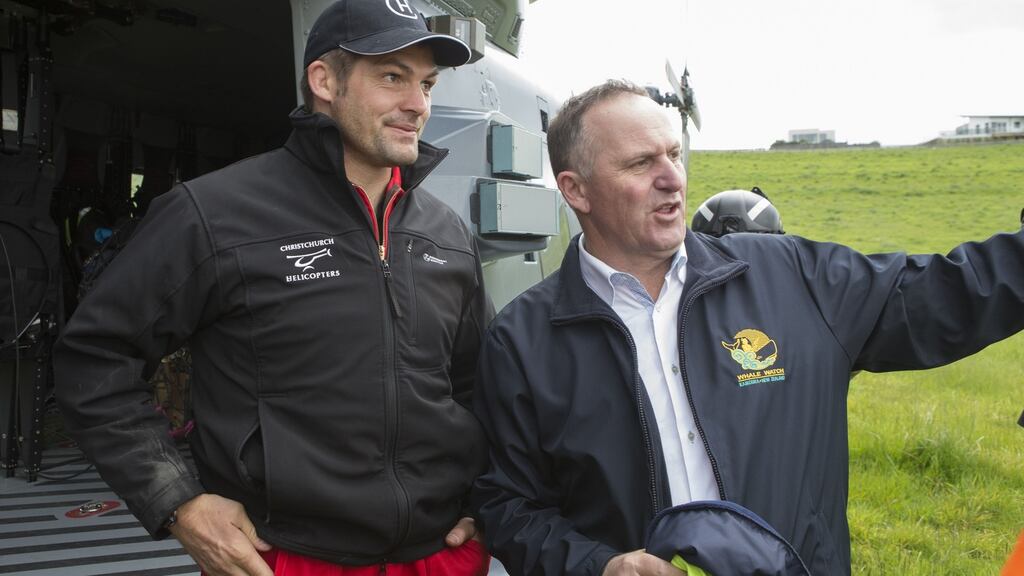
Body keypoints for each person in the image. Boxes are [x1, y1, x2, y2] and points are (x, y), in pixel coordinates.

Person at [469, 79, 1024, 576]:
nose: (672, 179)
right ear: (576, 190)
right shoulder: (523, 338)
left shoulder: (793, 278)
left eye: (674, 155)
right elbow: (511, 507)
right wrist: (602, 565)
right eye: (641, 164)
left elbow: (953, 293)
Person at [54, 1, 493, 575]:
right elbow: (94, 356)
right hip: (284, 557)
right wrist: (178, 502)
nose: (418, 105)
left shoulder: (447, 233)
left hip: (441, 556)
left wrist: (488, 500)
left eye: (427, 83)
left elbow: (478, 389)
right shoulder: (212, 215)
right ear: (324, 82)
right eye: (392, 77)